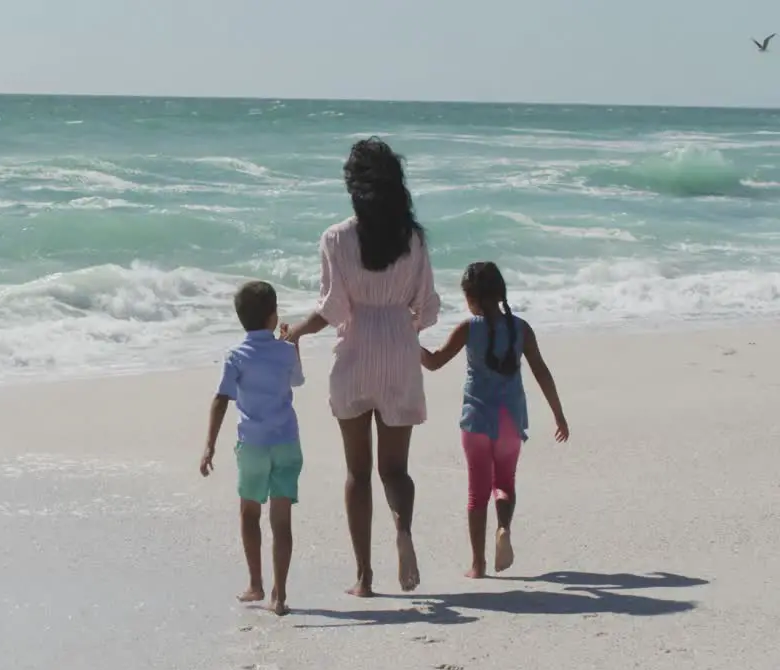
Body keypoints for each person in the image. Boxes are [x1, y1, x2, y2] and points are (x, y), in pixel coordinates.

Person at [281, 137, 440, 597]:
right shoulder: (413, 238)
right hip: (399, 351)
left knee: (358, 472)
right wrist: (403, 325)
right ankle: (403, 533)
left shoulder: (336, 238)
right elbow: (426, 306)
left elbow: (331, 309)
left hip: (354, 357)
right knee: (395, 470)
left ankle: (364, 577)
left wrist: (296, 332)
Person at [420, 261, 569, 578]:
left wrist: (408, 341)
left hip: (476, 421)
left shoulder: (467, 328)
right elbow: (541, 371)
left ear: (471, 297)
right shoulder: (521, 328)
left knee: (477, 493)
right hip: (510, 421)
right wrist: (558, 414)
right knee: (504, 484)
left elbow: (433, 362)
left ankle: (478, 564)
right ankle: (503, 528)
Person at [200, 280, 305, 616]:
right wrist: (292, 343)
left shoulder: (236, 355)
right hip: (287, 442)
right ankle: (280, 594)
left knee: (249, 514)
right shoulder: (286, 350)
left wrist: (209, 447)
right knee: (282, 521)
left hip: (254, 446)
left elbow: (221, 400)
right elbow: (297, 381)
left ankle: (256, 583)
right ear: (274, 317)